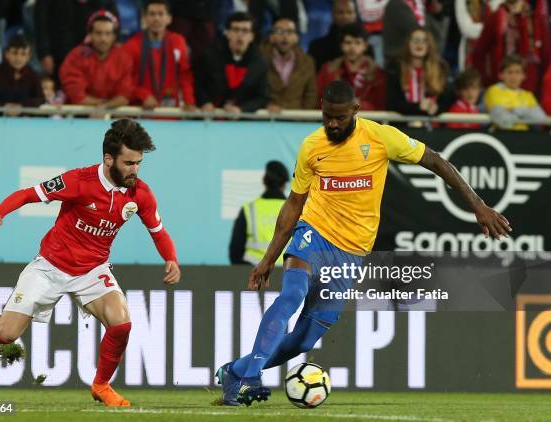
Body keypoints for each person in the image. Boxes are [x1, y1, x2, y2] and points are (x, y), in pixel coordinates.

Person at [216, 80, 512, 406]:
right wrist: (268, 258)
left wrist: (478, 205)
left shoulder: (381, 137)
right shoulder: (312, 146)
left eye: (339, 117)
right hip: (314, 234)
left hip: (351, 252)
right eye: (327, 116)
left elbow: (437, 161)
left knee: (303, 339)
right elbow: (293, 205)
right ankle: (251, 376)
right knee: (293, 294)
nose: (331, 123)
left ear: (356, 111)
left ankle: (236, 371)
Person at [0, 118, 180, 407]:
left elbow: (158, 231)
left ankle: (101, 386)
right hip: (50, 266)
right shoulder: (79, 181)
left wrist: (171, 259)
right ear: (108, 159)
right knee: (9, 333)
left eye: (139, 162)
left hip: (93, 270)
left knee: (121, 322)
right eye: (129, 163)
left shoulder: (139, 193)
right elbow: (29, 194)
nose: (135, 170)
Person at [123, 0, 196, 110]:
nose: (156, 18)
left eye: (161, 14)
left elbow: (185, 76)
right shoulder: (131, 46)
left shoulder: (178, 41)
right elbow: (125, 81)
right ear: (144, 18)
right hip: (140, 110)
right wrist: (142, 94)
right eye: (152, 14)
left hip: (170, 112)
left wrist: (189, 100)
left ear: (169, 18)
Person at [470, 0, 551, 93]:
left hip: (532, 88)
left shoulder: (536, 18)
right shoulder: (496, 17)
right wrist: (488, 82)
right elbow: (479, 53)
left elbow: (546, 55)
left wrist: (544, 86)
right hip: (502, 89)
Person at [195, 12, 269, 114]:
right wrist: (205, 102)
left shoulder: (260, 63)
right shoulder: (209, 57)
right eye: (236, 30)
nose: (240, 34)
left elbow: (262, 97)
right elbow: (197, 85)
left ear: (252, 36)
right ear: (228, 33)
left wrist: (242, 109)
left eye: (245, 31)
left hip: (243, 122)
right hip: (211, 119)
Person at [59, 10, 133, 107]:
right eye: (98, 33)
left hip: (114, 116)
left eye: (108, 33)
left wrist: (104, 107)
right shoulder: (76, 57)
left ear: (114, 36)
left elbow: (124, 96)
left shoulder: (124, 59)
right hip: (79, 118)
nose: (103, 39)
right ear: (90, 34)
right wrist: (102, 106)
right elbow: (76, 95)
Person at [34, 0, 118, 76]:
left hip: (92, 53)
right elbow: (41, 20)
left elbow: (112, 16)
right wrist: (44, 52)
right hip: (59, 52)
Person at [229, 161, 290, 265]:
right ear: (284, 184)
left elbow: (235, 253)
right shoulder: (297, 211)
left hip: (254, 275)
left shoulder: (249, 209)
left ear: (264, 181)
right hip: (288, 275)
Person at [316, 23, 385, 110]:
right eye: (348, 43)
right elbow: (318, 101)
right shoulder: (328, 71)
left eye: (357, 43)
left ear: (365, 46)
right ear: (341, 45)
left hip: (367, 122)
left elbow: (381, 106)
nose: (352, 47)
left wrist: (361, 105)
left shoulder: (377, 74)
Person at [385, 27, 451, 116]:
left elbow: (446, 101)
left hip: (431, 127)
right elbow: (392, 103)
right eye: (415, 40)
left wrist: (437, 108)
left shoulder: (440, 69)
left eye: (424, 41)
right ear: (408, 44)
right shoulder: (396, 69)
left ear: (429, 46)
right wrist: (418, 106)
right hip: (402, 126)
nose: (419, 44)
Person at [261, 16, 317, 113]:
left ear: (296, 38)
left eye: (290, 32)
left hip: (296, 120)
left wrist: (303, 118)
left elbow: (310, 94)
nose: (285, 36)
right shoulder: (260, 60)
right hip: (268, 118)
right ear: (272, 37)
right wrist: (266, 105)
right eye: (280, 31)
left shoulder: (307, 62)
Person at [0, 34, 44, 107]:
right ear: (7, 54)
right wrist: (3, 106)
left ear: (28, 57)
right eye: (14, 53)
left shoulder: (32, 75)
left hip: (24, 117)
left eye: (23, 54)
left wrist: (21, 106)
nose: (18, 58)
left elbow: (40, 99)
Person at [483, 54, 549, 131]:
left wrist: (513, 110)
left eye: (517, 72)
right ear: (501, 75)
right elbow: (503, 120)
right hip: (500, 135)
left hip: (524, 137)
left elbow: (540, 118)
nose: (514, 76)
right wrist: (526, 113)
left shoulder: (528, 95)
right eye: (510, 72)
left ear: (524, 76)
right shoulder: (493, 91)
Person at [308, 0, 362, 70]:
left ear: (356, 15)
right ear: (332, 15)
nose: (345, 16)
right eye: (340, 12)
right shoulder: (317, 47)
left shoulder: (366, 49)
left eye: (349, 12)